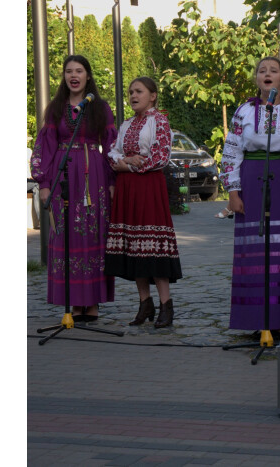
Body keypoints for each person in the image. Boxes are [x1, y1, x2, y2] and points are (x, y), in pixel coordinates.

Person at [220, 57, 280, 338]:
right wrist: (233, 191)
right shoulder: (244, 111)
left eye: (273, 71)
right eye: (262, 71)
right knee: (254, 249)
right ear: (256, 79)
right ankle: (255, 317)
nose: (267, 74)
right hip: (252, 178)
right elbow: (232, 150)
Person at [30, 55, 117, 322]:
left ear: (88, 75)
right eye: (68, 71)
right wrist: (44, 183)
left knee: (93, 235)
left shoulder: (100, 107)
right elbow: (44, 147)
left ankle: (91, 303)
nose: (73, 75)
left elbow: (113, 145)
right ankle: (72, 303)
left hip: (95, 179)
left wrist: (113, 181)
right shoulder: (55, 108)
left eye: (79, 70)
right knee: (65, 236)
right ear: (64, 76)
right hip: (63, 177)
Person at [104, 77, 182, 328]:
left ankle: (165, 305)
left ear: (153, 96)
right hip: (129, 189)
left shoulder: (159, 120)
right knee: (134, 246)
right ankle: (144, 303)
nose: (133, 96)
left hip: (149, 186)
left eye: (139, 91)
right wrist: (125, 163)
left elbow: (161, 156)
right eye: (130, 92)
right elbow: (113, 153)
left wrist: (128, 167)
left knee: (154, 246)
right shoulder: (126, 124)